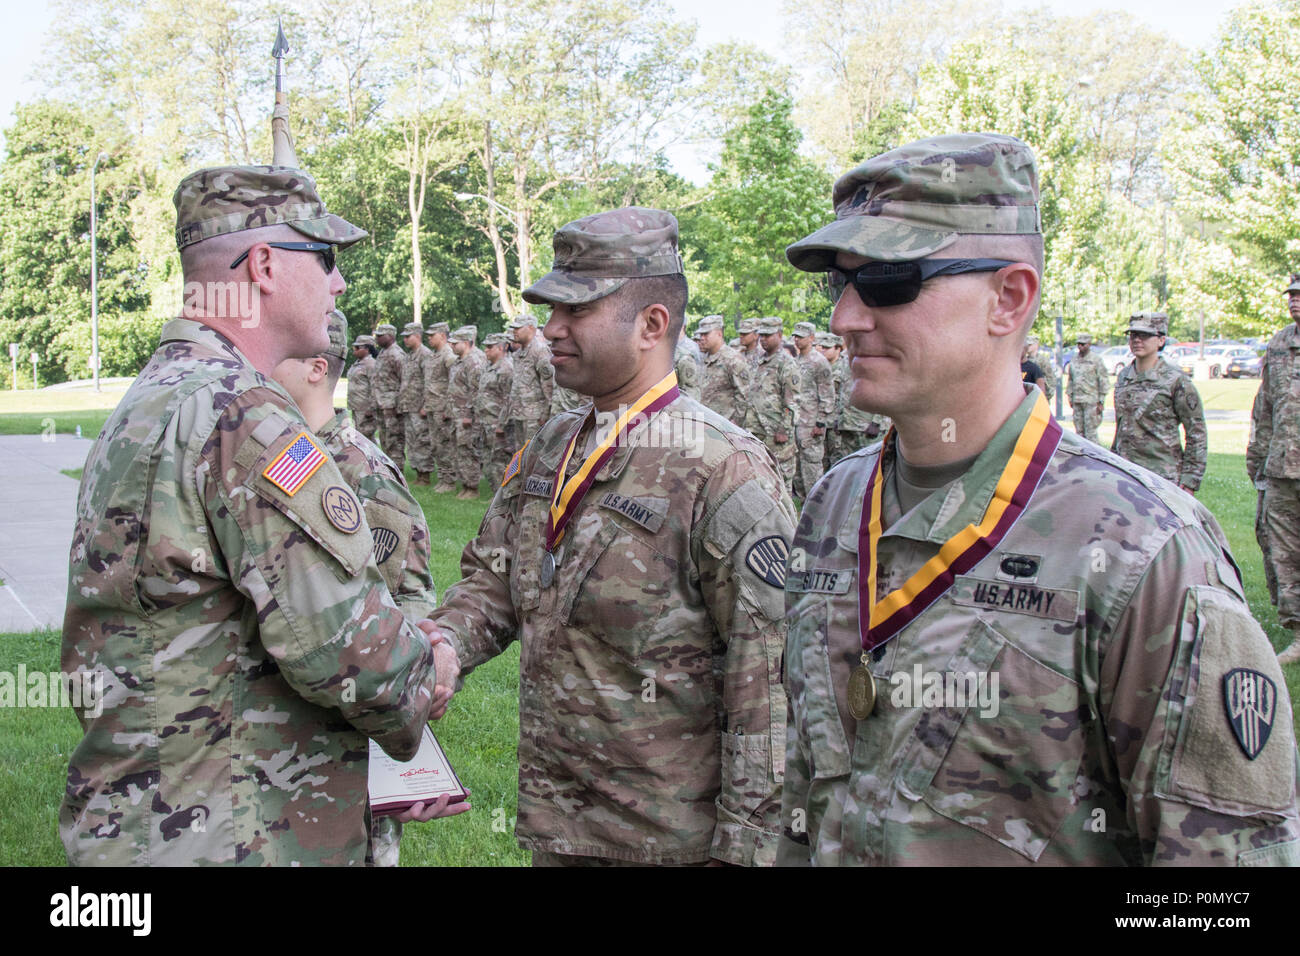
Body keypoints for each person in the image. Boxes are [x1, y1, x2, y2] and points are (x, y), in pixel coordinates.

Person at [778, 132, 1299, 865]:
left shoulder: (1144, 551)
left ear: (1009, 298)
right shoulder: (835, 502)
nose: (846, 319)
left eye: (890, 283)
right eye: (841, 285)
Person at [60, 165, 461, 866]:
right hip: (232, 830)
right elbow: (348, 653)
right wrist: (431, 669)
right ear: (267, 265)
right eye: (325, 257)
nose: (336, 284)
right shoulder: (241, 415)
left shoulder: (153, 397)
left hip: (147, 824)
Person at [427, 207, 794, 866]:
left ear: (653, 324)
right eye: (550, 310)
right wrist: (447, 646)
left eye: (575, 312)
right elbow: (494, 582)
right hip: (560, 828)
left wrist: (747, 851)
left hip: (670, 843)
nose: (552, 330)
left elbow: (768, 681)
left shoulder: (723, 467)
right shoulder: (552, 446)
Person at [270, 309, 454, 866]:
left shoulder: (361, 477)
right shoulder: (274, 457)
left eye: (270, 361)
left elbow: (407, 621)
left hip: (347, 767)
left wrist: (406, 768)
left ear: (315, 368)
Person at [1249, 274, 1300, 665]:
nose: (1294, 302)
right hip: (1283, 464)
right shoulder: (1280, 344)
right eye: (1292, 296)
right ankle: (1298, 632)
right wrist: (1257, 456)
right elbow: (1264, 404)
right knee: (1281, 549)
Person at [1111, 311, 1206, 494]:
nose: (1137, 340)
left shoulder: (1175, 381)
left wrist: (1190, 480)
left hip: (1162, 478)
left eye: (1145, 335)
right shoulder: (1124, 377)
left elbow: (1196, 432)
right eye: (1133, 335)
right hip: (1125, 475)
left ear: (1161, 340)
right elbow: (1121, 427)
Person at [745, 317, 799, 496]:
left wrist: (784, 429)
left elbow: (792, 400)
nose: (763, 339)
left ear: (780, 335)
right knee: (760, 478)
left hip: (776, 433)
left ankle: (787, 522)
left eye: (768, 335)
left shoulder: (786, 362)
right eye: (761, 335)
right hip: (756, 429)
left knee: (781, 480)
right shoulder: (758, 360)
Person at [790, 321, 834, 498]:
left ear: (811, 338)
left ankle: (817, 503)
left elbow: (827, 395)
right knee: (799, 469)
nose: (796, 340)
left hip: (811, 423)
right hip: (797, 421)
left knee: (812, 465)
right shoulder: (796, 361)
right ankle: (803, 502)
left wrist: (821, 422)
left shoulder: (819, 362)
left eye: (801, 337)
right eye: (795, 336)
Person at [504, 315, 556, 452]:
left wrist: (546, 415)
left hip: (535, 417)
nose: (514, 332)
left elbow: (549, 385)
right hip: (520, 414)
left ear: (531, 328)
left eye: (518, 328)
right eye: (513, 328)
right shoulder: (517, 355)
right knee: (520, 456)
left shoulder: (540, 351)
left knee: (533, 455)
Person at [448, 325, 487, 499]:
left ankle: (472, 487)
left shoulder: (474, 362)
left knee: (468, 450)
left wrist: (468, 415)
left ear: (466, 343)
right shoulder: (459, 361)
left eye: (455, 343)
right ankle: (465, 484)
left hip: (467, 417)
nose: (452, 346)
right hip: (457, 414)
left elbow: (476, 392)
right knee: (459, 450)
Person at [697, 313, 751, 427]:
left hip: (724, 429)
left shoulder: (733, 359)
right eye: (701, 334)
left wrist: (735, 424)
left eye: (706, 334)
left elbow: (744, 395)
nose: (702, 338)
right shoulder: (703, 360)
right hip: (704, 425)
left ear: (719, 333)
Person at [400, 321, 436, 485]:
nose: (405, 340)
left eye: (408, 337)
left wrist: (425, 405)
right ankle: (418, 473)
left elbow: (429, 382)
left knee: (422, 441)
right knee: (413, 441)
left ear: (417, 336)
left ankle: (425, 474)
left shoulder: (425, 355)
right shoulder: (409, 356)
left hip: (419, 406)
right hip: (409, 406)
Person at [477, 332, 515, 487]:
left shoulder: (506, 368)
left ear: (500, 348)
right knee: (489, 457)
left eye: (490, 347)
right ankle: (496, 491)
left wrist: (502, 424)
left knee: (500, 459)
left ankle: (504, 493)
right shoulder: (488, 367)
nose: (486, 350)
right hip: (486, 420)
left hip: (498, 423)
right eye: (485, 347)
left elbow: (509, 398)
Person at [424, 321, 457, 493]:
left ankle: (449, 480)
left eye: (432, 335)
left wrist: (448, 408)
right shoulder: (433, 355)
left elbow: (454, 382)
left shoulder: (448, 354)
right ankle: (442, 477)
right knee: (436, 444)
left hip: (442, 408)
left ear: (443, 336)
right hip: (432, 406)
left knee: (444, 444)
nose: (428, 338)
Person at [373, 322, 405, 464]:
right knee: (385, 437)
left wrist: (399, 405)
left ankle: (397, 468)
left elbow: (404, 380)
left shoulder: (397, 354)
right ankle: (387, 466)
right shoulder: (382, 353)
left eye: (381, 336)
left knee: (394, 439)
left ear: (390, 336)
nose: (377, 339)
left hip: (392, 405)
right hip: (381, 404)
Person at [1067, 333, 1109, 442]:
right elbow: (1071, 379)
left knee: (1091, 433)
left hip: (1091, 401)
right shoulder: (1074, 359)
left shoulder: (1096, 360)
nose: (1080, 346)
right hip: (1077, 400)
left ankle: (1095, 456)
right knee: (1079, 432)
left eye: (1083, 344)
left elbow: (1103, 380)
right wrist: (1070, 396)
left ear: (1089, 344)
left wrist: (1101, 401)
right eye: (1078, 344)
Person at [347, 331, 379, 441]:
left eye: (357, 347)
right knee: (359, 437)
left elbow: (375, 387)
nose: (354, 350)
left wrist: (371, 408)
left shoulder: (371, 364)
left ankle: (371, 458)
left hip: (365, 409)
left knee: (366, 438)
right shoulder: (357, 363)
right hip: (357, 407)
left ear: (367, 349)